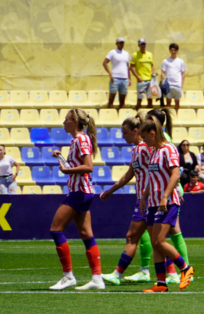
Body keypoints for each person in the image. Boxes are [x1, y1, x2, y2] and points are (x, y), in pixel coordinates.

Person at [46, 110, 104, 290]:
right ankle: (97, 278)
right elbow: (75, 166)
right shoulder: (77, 140)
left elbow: (88, 167)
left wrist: (65, 171)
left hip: (80, 191)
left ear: (75, 122)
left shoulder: (80, 139)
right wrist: (61, 157)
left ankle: (68, 275)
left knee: (56, 230)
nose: (64, 122)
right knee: (86, 234)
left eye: (67, 120)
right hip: (82, 190)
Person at [138, 118, 195, 292]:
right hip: (154, 202)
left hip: (167, 202)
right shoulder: (154, 151)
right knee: (156, 243)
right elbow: (151, 177)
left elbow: (175, 175)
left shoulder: (168, 149)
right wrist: (144, 197)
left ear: (153, 133)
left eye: (145, 137)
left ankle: (185, 268)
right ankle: (161, 283)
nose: (143, 141)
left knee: (158, 241)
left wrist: (164, 197)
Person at [99, 115, 157, 286]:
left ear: (136, 131)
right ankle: (118, 274)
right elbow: (129, 174)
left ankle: (179, 270)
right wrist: (111, 190)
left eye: (125, 132)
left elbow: (159, 172)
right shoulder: (136, 150)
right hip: (142, 200)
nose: (122, 136)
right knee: (133, 237)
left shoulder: (147, 148)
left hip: (150, 200)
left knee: (153, 239)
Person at [103, 37, 131, 110]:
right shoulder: (112, 52)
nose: (121, 44)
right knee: (111, 101)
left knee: (122, 101)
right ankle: (110, 117)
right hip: (115, 78)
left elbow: (127, 67)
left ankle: (122, 119)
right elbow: (105, 63)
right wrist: (110, 74)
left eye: (122, 42)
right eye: (120, 42)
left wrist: (129, 78)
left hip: (124, 79)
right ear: (116, 44)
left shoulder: (126, 53)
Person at [130, 38, 155, 112]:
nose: (143, 45)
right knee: (139, 100)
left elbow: (152, 65)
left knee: (150, 101)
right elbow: (131, 67)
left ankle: (150, 117)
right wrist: (138, 77)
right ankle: (137, 116)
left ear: (146, 44)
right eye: (141, 44)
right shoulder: (135, 55)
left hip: (150, 80)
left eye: (144, 44)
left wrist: (153, 74)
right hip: (141, 81)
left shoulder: (150, 54)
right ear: (138, 45)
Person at [159, 43, 186, 111]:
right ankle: (169, 118)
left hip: (177, 85)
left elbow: (183, 74)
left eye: (175, 50)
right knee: (168, 103)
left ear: (177, 51)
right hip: (169, 85)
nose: (173, 52)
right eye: (172, 50)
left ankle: (176, 117)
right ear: (169, 50)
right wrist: (163, 83)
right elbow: (162, 72)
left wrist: (181, 85)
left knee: (177, 103)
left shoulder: (181, 61)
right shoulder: (165, 61)